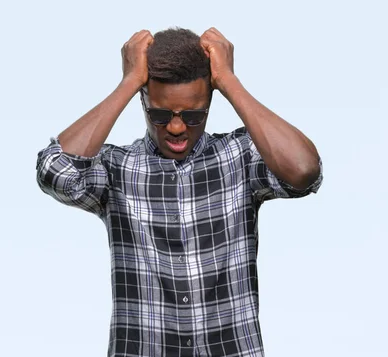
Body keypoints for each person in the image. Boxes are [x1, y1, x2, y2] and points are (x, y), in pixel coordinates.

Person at [35, 26, 322, 357]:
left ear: (210, 103)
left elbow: (303, 170)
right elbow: (55, 173)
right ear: (143, 101)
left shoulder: (240, 157)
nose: (175, 127)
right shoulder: (117, 168)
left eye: (193, 115)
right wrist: (129, 82)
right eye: (160, 114)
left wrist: (229, 81)